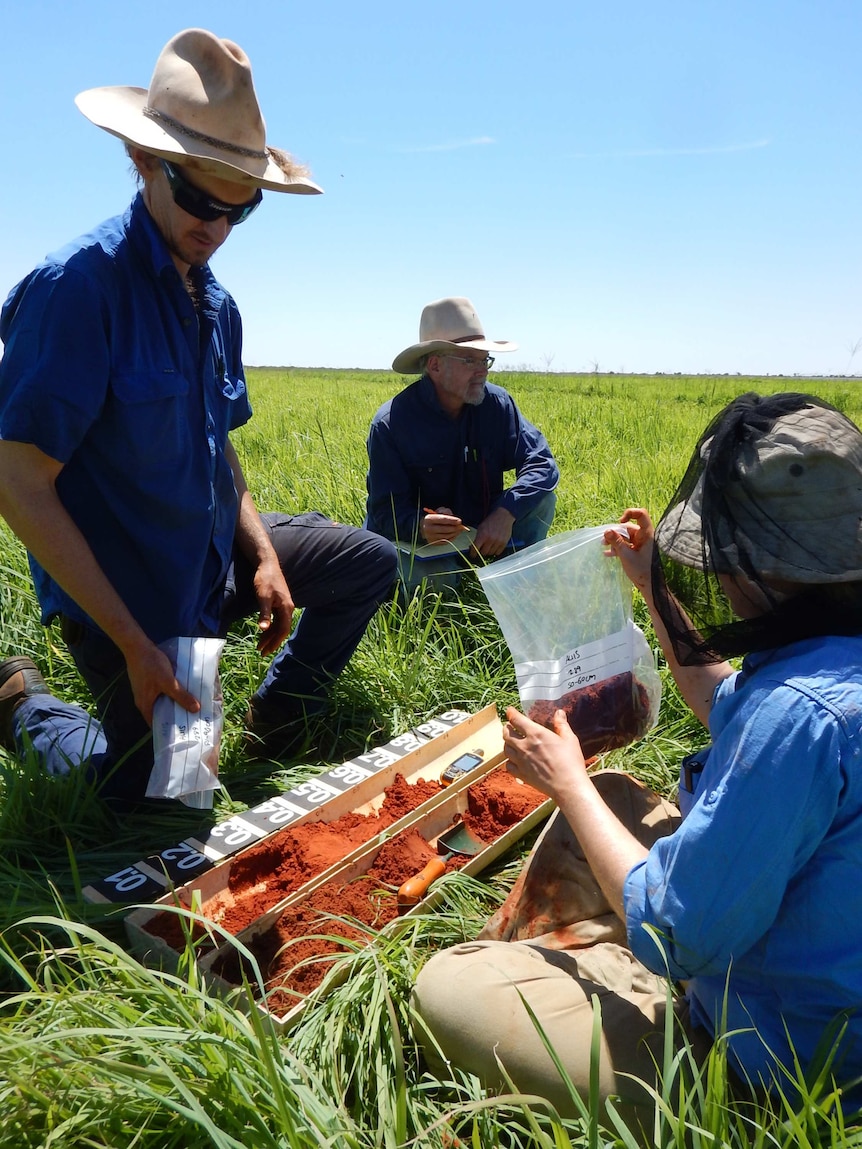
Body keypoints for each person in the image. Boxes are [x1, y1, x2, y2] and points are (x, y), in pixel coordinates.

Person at [414, 392, 862, 1116]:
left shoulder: (797, 717)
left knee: (448, 983)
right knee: (620, 794)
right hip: (820, 948)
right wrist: (651, 582)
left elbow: (674, 931)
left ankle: (602, 991)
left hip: (783, 1064)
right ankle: (586, 949)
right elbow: (726, 702)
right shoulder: (831, 662)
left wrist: (566, 783)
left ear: (761, 566)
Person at [0, 29, 396, 806]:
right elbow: (17, 481)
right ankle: (24, 704)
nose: (214, 226)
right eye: (196, 196)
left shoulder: (218, 307)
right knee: (148, 802)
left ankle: (271, 721)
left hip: (209, 559)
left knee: (368, 561)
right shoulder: (78, 290)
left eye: (238, 207)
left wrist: (263, 554)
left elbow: (219, 450)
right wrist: (132, 643)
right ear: (145, 161)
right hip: (128, 592)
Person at [365, 297, 559, 592]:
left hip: (481, 528)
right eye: (470, 360)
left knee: (542, 499)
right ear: (435, 365)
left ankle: (516, 573)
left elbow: (542, 463)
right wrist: (420, 526)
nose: (482, 370)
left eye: (485, 360)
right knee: (432, 590)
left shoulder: (497, 404)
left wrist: (506, 512)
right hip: (422, 543)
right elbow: (383, 512)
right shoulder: (391, 424)